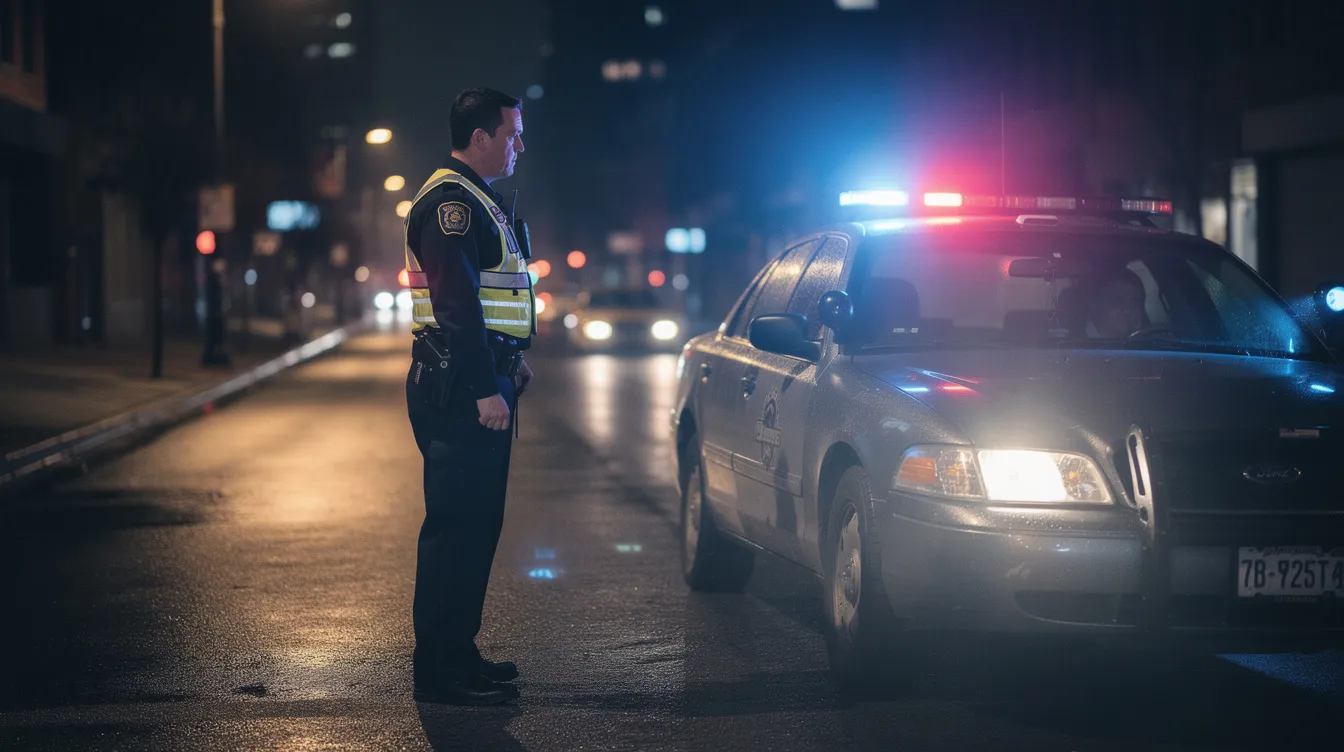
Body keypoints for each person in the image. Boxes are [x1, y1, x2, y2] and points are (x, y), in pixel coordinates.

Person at [403, 88, 536, 706]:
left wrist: (513, 360)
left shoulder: (478, 200)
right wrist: (486, 385)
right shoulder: (451, 203)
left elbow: (492, 298)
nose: (519, 145)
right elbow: (456, 305)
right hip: (459, 386)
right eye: (511, 133)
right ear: (479, 137)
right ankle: (438, 669)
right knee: (456, 525)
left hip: (477, 376)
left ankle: (460, 651)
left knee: (478, 524)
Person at [1086, 265, 1147, 338]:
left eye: (1133, 302)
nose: (1126, 309)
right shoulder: (1079, 344)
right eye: (1116, 300)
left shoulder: (1153, 342)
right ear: (1096, 304)